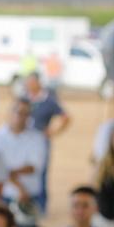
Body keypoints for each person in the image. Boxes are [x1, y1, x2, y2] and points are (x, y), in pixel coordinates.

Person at [0, 97, 47, 222]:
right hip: (2, 196)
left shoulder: (37, 138)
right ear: (9, 112)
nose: (21, 116)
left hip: (30, 196)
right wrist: (20, 187)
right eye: (18, 112)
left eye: (26, 113)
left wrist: (7, 173)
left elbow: (34, 167)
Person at [24, 71, 71, 211]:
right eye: (28, 82)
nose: (29, 85)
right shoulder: (24, 98)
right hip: (24, 141)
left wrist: (53, 132)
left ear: (38, 83)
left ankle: (41, 206)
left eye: (32, 82)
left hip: (41, 142)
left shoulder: (48, 100)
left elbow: (66, 117)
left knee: (41, 173)